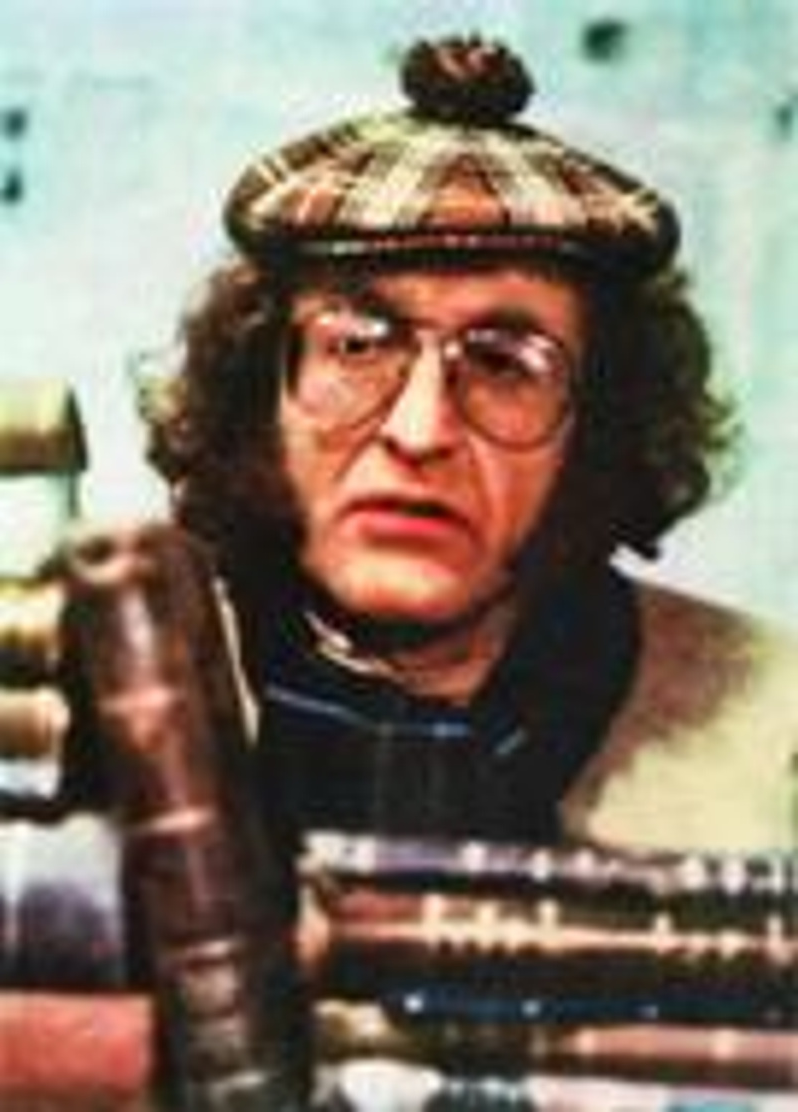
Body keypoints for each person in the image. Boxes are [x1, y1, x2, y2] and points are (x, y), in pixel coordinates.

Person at [146, 35, 798, 855]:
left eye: (503, 364)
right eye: (357, 345)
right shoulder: (112, 680)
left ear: (597, 430)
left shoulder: (773, 733)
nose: (420, 433)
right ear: (260, 393)